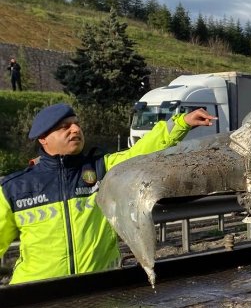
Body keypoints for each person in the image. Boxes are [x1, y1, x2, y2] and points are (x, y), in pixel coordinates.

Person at [0, 103, 216, 284]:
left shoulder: (103, 169)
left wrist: (181, 123)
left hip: (100, 287)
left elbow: (140, 152)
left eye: (76, 124)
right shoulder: (14, 188)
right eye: (64, 127)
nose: (75, 129)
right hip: (37, 294)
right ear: (43, 138)